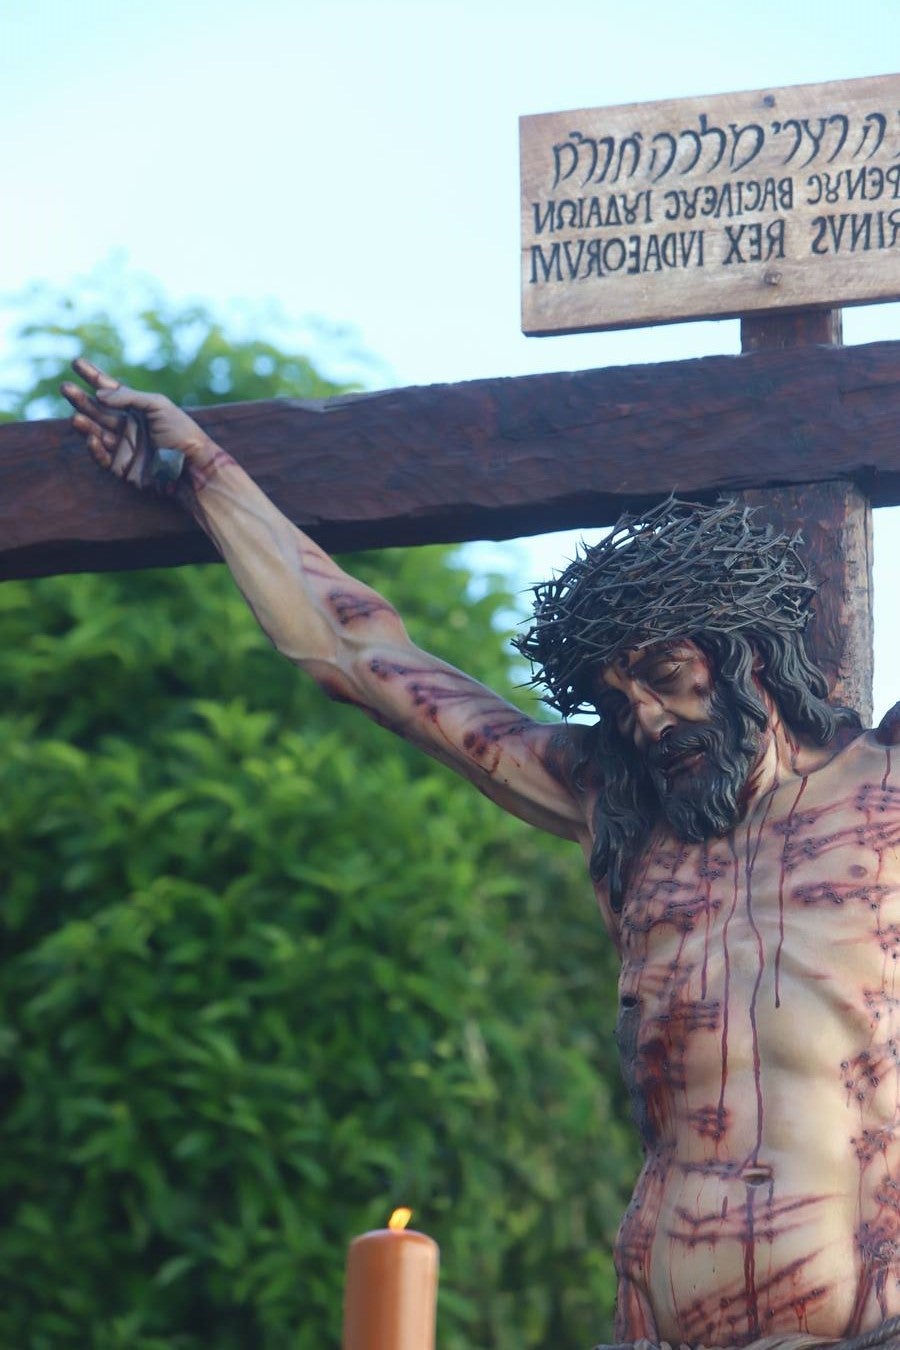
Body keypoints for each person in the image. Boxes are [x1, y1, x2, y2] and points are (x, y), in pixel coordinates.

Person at [62, 358, 900, 1350]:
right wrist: (203, 475)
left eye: (668, 675)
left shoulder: (884, 789)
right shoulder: (620, 811)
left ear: (745, 649)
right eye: (618, 700)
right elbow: (359, 654)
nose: (646, 720)